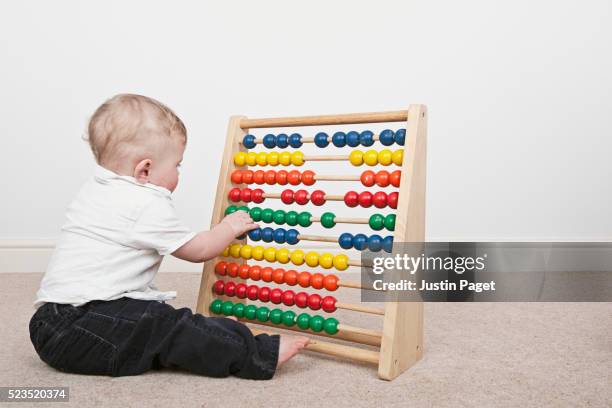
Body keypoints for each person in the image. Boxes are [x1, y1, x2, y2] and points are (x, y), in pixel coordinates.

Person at [29, 94, 308, 380]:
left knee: (157, 320)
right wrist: (229, 227)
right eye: (177, 165)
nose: (178, 172)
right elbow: (199, 250)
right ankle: (257, 353)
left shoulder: (97, 188)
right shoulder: (144, 203)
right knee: (168, 326)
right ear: (145, 169)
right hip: (82, 329)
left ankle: (214, 333)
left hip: (48, 323)